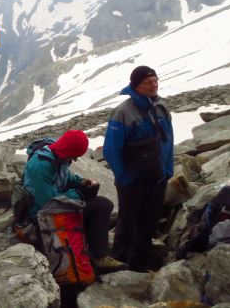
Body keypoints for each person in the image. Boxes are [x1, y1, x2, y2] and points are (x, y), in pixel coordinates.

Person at [103, 65, 174, 272]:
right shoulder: (123, 112)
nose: (154, 85)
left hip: (157, 177)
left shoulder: (161, 107)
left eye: (155, 80)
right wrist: (124, 177)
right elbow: (111, 149)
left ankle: (140, 263)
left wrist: (168, 169)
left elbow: (168, 140)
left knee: (149, 221)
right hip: (132, 179)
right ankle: (119, 263)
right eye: (148, 82)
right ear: (136, 85)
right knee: (127, 221)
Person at [24, 129, 125, 271]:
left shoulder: (58, 155)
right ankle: (98, 258)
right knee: (101, 205)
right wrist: (79, 194)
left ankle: (90, 252)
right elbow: (47, 202)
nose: (75, 159)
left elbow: (65, 178)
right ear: (67, 149)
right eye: (74, 155)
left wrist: (81, 182)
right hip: (41, 217)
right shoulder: (40, 165)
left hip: (53, 208)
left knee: (102, 204)